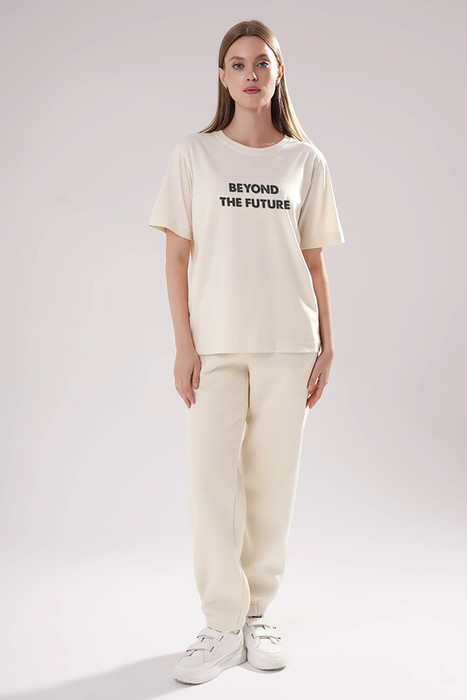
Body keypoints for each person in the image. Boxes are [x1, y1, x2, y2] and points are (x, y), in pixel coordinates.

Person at [148, 18, 345, 685]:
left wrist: (328, 344)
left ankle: (257, 614)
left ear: (279, 73)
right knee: (209, 486)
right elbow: (176, 256)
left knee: (270, 485)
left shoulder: (305, 161)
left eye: (262, 62)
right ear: (222, 77)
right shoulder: (194, 155)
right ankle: (221, 622)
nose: (250, 73)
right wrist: (184, 344)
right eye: (237, 63)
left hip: (289, 344)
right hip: (216, 347)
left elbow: (314, 263)